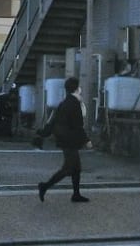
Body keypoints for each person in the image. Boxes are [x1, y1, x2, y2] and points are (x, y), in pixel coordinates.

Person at [38, 75, 91, 203]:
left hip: (64, 139)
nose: (80, 89)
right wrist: (87, 140)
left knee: (76, 168)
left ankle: (76, 194)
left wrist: (43, 133)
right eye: (79, 87)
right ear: (76, 89)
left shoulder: (64, 103)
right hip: (69, 140)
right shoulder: (74, 104)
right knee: (68, 168)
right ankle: (44, 186)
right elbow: (78, 126)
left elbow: (54, 120)